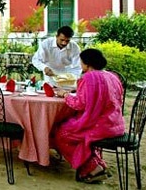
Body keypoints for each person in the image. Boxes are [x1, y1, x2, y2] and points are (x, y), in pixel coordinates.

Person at [53, 48, 125, 183]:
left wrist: (64, 94)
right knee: (71, 130)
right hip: (116, 124)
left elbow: (79, 104)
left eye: (81, 62)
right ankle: (99, 164)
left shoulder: (88, 78)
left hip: (99, 126)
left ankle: (93, 167)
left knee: (61, 133)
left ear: (86, 63)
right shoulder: (112, 76)